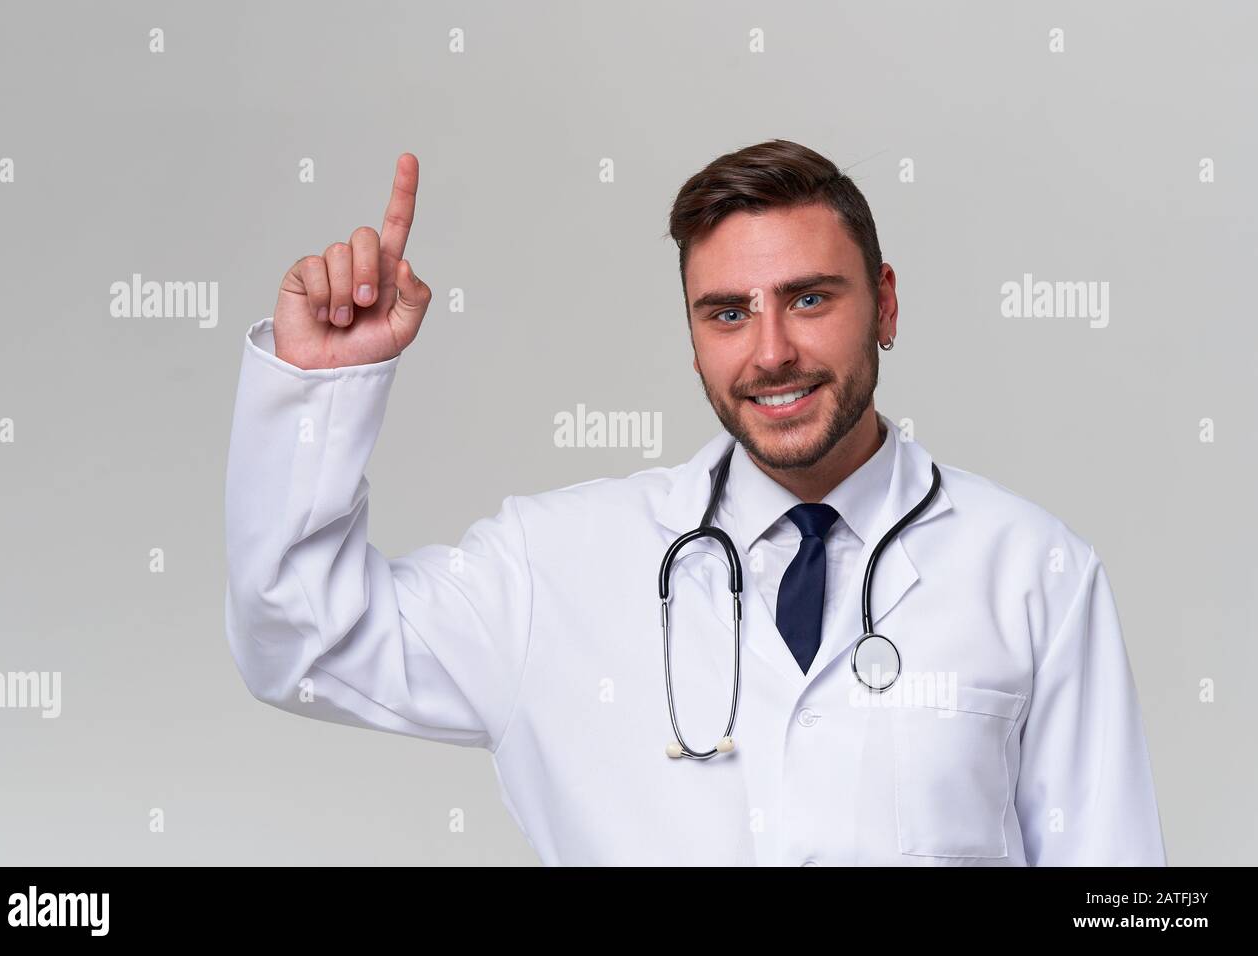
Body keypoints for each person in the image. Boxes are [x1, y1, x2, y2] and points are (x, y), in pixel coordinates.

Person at [224, 140, 1167, 866]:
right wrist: (321, 392)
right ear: (691, 335)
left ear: (883, 303)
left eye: (808, 299)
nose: (769, 353)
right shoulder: (551, 568)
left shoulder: (1033, 571)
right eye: (727, 312)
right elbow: (301, 645)